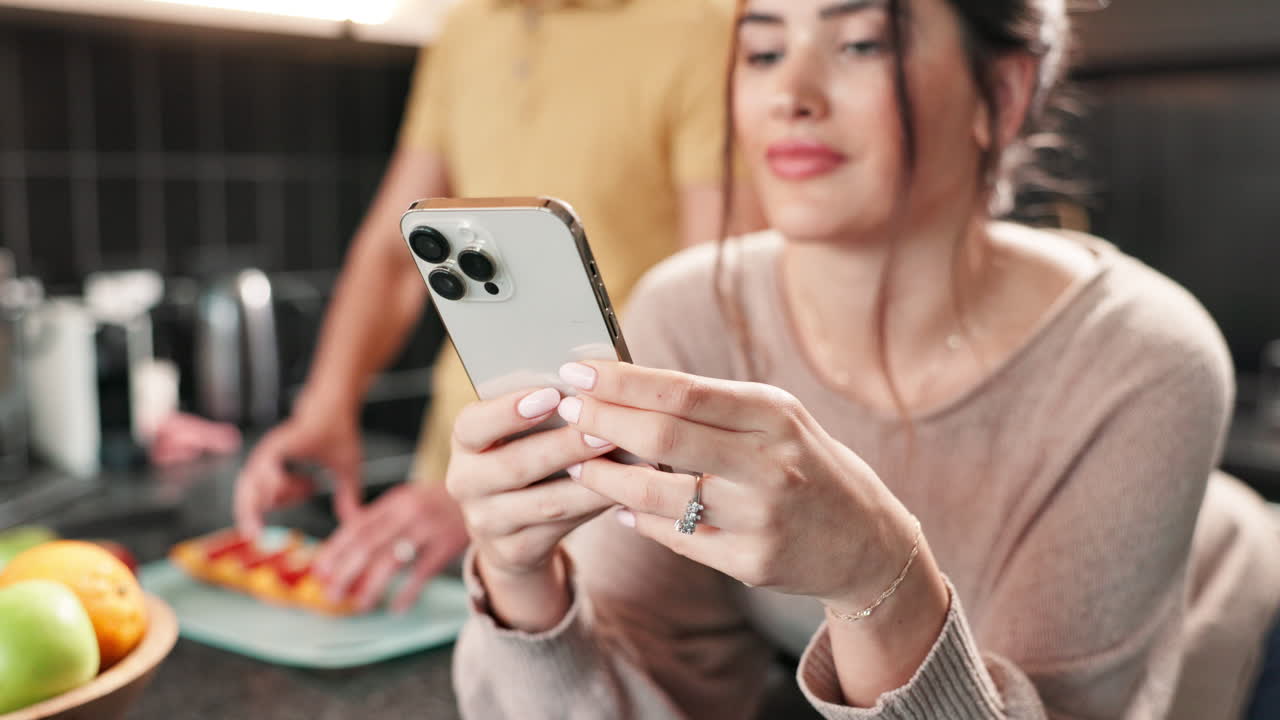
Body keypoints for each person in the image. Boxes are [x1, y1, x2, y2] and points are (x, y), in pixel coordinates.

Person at [446, 0, 1280, 717]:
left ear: (1001, 92)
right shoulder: (690, 311)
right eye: (764, 51)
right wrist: (523, 581)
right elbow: (654, 685)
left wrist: (877, 573)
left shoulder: (1145, 359)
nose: (790, 97)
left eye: (858, 44)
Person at [233, 0, 753, 613]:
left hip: (610, 505)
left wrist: (527, 480)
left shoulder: (702, 29)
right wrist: (326, 407)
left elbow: (713, 303)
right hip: (451, 479)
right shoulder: (464, 30)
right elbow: (398, 254)